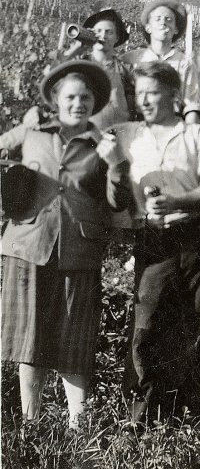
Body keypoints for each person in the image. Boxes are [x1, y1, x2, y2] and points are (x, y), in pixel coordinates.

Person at [0, 60, 130, 429]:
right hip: (29, 244)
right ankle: (30, 423)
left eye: (86, 97)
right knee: (31, 338)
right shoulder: (31, 133)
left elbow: (118, 202)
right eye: (71, 96)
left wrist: (116, 164)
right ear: (55, 100)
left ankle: (79, 427)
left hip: (79, 248)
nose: (78, 103)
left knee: (75, 340)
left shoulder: (103, 144)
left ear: (96, 102)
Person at [107, 61, 200, 426]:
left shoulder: (195, 136)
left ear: (174, 96)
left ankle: (193, 413)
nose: (144, 100)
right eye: (139, 92)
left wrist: (179, 200)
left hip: (197, 237)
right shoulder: (126, 135)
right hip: (154, 240)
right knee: (146, 325)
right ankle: (142, 419)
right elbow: (114, 195)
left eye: (153, 92)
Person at [24, 2, 135, 132]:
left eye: (109, 32)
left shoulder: (124, 68)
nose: (103, 36)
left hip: (119, 135)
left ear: (117, 38)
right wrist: (76, 48)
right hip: (86, 136)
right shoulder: (80, 65)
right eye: (98, 31)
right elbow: (49, 75)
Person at [121, 0, 200, 124]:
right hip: (139, 125)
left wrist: (188, 136)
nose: (163, 23)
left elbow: (191, 106)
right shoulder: (131, 59)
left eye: (169, 20)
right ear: (148, 27)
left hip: (173, 123)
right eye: (157, 19)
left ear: (175, 29)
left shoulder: (184, 63)